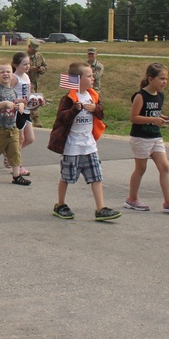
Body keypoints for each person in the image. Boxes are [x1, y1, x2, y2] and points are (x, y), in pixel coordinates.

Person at [47, 62, 120, 221]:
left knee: (96, 176)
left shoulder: (92, 95)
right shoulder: (69, 98)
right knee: (66, 177)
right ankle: (60, 204)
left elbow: (101, 113)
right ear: (77, 79)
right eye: (89, 76)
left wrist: (96, 109)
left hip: (89, 145)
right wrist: (75, 109)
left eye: (92, 75)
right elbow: (61, 118)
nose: (93, 78)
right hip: (72, 146)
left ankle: (100, 208)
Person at [123, 62, 169, 213]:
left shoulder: (160, 96)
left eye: (166, 79)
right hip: (141, 137)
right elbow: (134, 117)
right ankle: (132, 199)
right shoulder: (140, 96)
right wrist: (153, 120)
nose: (164, 82)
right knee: (141, 168)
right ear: (151, 79)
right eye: (161, 78)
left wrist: (168, 118)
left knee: (165, 167)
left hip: (155, 136)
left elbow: (156, 114)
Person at [5, 51, 34, 176]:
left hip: (26, 110)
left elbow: (28, 93)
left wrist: (36, 100)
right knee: (20, 139)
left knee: (30, 138)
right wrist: (18, 101)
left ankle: (9, 154)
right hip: (17, 111)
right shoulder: (14, 78)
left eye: (28, 64)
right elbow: (6, 95)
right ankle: (17, 165)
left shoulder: (26, 77)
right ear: (16, 65)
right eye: (24, 64)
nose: (27, 66)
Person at [26, 40, 47, 127]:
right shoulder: (23, 56)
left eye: (36, 50)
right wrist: (30, 69)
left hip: (36, 82)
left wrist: (40, 69)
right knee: (33, 98)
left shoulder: (39, 56)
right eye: (33, 49)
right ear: (29, 47)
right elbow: (16, 68)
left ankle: (27, 118)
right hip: (26, 81)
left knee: (30, 100)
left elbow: (45, 66)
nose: (35, 51)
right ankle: (36, 119)